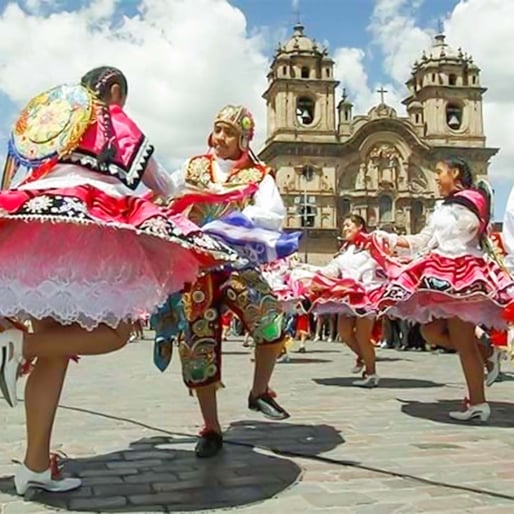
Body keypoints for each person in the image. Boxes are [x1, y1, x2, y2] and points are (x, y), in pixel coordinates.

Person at [0, 67, 237, 496]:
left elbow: (16, 172)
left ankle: (35, 464)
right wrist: (197, 188)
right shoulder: (110, 117)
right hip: (88, 231)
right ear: (112, 90)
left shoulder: (55, 118)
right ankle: (18, 347)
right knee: (116, 332)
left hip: (36, 229)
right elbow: (160, 182)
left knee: (56, 346)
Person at [155, 105, 294, 458]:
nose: (220, 138)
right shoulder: (193, 168)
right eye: (217, 129)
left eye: (229, 132)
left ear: (244, 139)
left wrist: (236, 219)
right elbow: (166, 191)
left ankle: (259, 391)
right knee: (198, 347)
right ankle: (211, 428)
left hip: (236, 263)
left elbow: (274, 215)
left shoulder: (259, 176)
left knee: (270, 321)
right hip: (197, 268)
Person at [374, 157, 514, 421]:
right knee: (431, 331)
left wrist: (438, 247)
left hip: (464, 273)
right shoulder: (441, 207)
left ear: (455, 172)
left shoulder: (473, 200)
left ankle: (478, 402)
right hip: (442, 271)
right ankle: (486, 352)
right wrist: (392, 239)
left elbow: (471, 229)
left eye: (439, 172)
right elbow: (424, 239)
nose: (436, 178)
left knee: (462, 342)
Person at [301, 214, 385, 387]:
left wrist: (363, 286)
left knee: (362, 336)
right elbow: (331, 270)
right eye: (344, 226)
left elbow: (374, 272)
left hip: (366, 295)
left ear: (359, 227)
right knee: (344, 332)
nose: (345, 228)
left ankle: (371, 373)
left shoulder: (369, 249)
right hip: (347, 297)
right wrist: (306, 268)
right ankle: (363, 357)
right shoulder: (345, 250)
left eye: (348, 225)